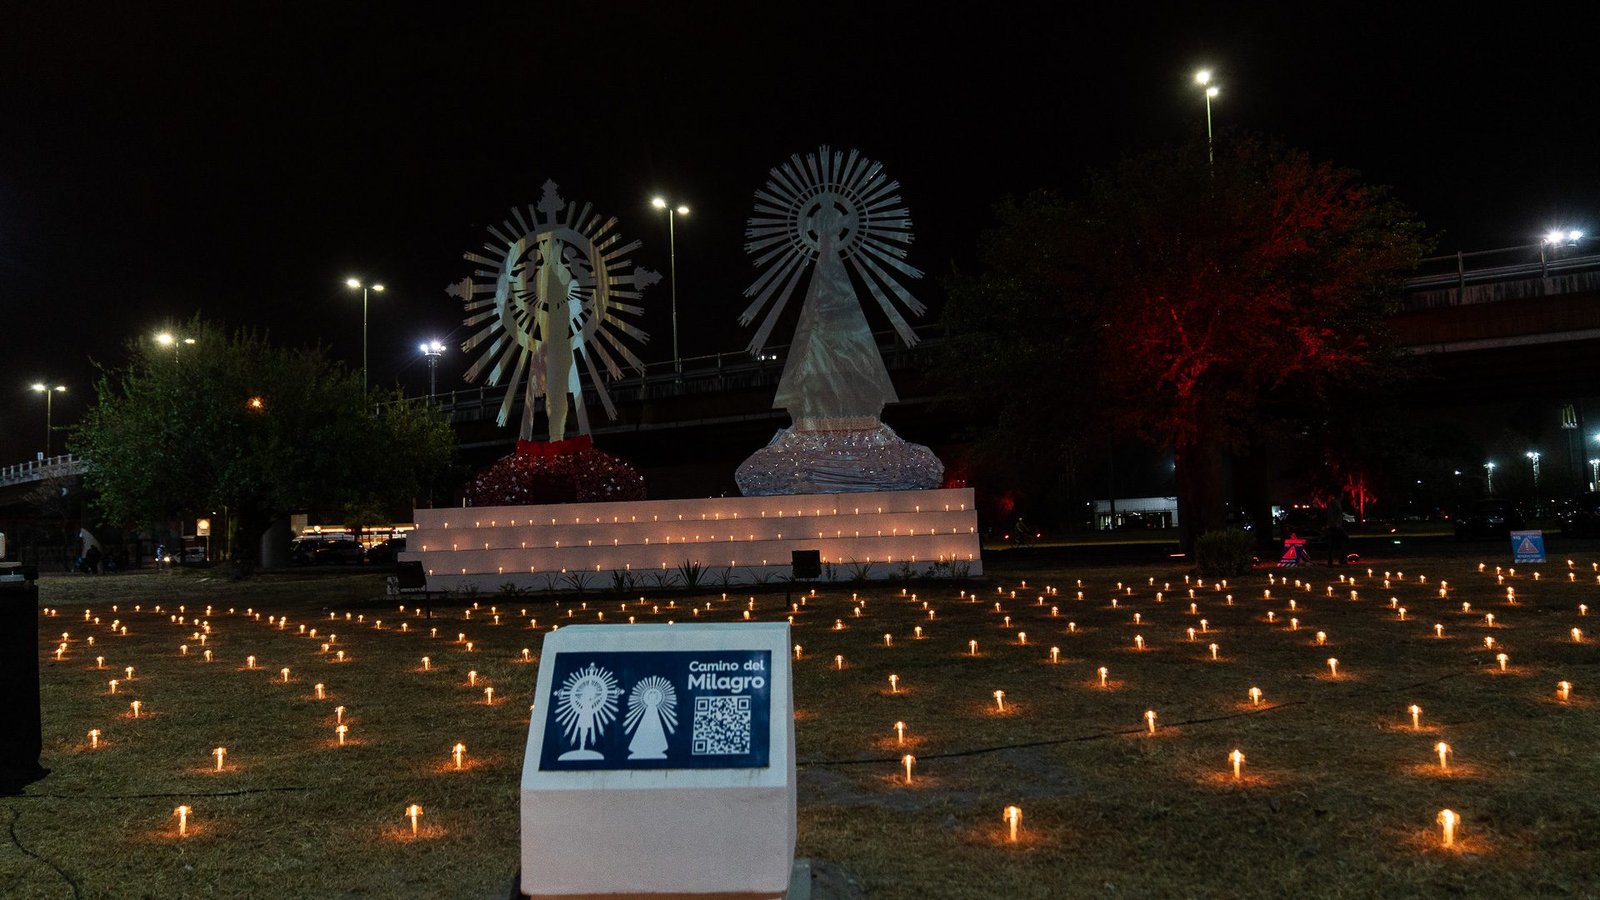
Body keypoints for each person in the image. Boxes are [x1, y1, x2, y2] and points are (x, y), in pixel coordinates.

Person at [1324, 498, 1349, 566]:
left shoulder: (1336, 502)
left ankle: (1332, 561)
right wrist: (1335, 523)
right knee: (1343, 539)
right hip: (1334, 526)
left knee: (1333, 543)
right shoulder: (1334, 503)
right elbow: (1331, 514)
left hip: (1334, 526)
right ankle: (1340, 559)